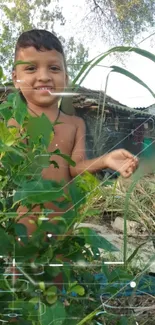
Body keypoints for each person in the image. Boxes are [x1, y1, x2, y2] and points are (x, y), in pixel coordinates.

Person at [9, 29, 138, 236]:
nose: (44, 77)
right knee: (23, 267)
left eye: (53, 68)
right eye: (31, 68)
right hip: (24, 222)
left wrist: (106, 160)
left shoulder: (75, 123)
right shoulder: (12, 124)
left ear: (66, 78)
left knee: (61, 265)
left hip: (64, 221)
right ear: (16, 79)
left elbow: (74, 167)